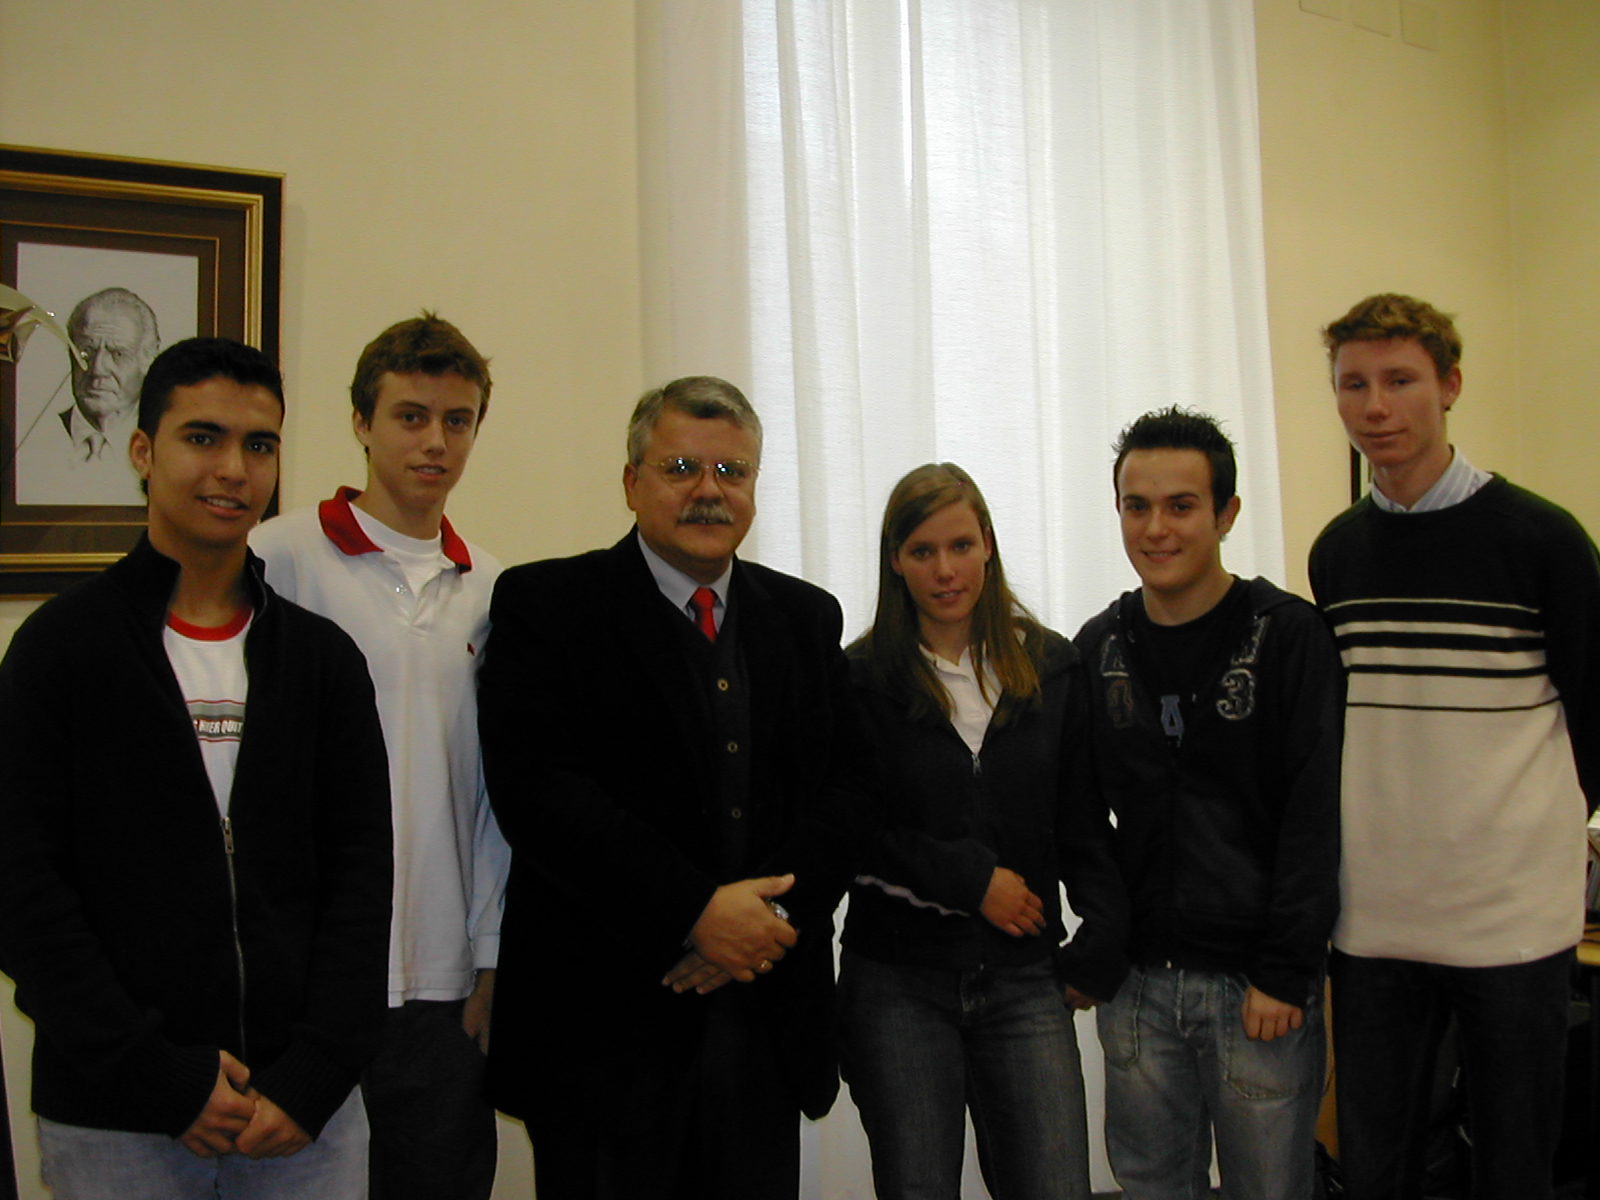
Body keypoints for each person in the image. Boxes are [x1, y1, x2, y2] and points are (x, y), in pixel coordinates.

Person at [0, 337, 393, 1199]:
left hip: (303, 1117)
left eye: (260, 445)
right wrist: (157, 1075)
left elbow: (361, 879)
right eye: (203, 437)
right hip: (118, 1113)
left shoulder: (322, 660)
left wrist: (315, 1072)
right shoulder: (61, 650)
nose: (233, 469)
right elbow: (24, 888)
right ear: (144, 452)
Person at [477, 375, 873, 1200]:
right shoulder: (546, 606)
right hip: (603, 1034)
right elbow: (540, 795)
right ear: (632, 481)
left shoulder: (805, 618)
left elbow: (846, 795)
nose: (708, 491)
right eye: (681, 467)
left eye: (732, 473)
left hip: (762, 1024)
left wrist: (763, 925)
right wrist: (696, 911)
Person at [1309, 293, 1600, 1200]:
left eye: (1400, 380)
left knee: (1514, 1165)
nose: (1376, 406)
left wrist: (1529, 839)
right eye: (1354, 384)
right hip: (1376, 918)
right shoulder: (1338, 555)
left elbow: (1594, 717)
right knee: (1378, 1165)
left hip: (1512, 921)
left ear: (1450, 386)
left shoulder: (1543, 541)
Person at [250, 313, 509, 1200]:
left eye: (458, 419)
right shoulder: (276, 558)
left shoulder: (496, 592)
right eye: (409, 416)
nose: (435, 442)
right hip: (308, 976)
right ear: (361, 423)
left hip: (442, 986)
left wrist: (490, 958)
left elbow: (496, 800)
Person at [838, 462, 1126, 1200]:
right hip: (897, 984)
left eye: (961, 545)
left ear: (989, 545)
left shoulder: (1052, 666)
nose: (945, 570)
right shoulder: (859, 678)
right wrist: (971, 882)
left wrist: (1099, 945)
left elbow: (1083, 821)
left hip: (1026, 981)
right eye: (923, 551)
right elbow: (848, 829)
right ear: (895, 561)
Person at [1076, 407, 1342, 1200]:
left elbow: (1315, 814)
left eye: (1181, 505)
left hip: (1257, 990)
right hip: (1136, 991)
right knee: (1152, 1185)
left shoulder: (1288, 636)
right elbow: (1080, 818)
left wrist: (1286, 971)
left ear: (1226, 513)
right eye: (1136, 505)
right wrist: (1097, 950)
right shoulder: (1100, 646)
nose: (1156, 528)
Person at [17, 286, 160, 506]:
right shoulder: (29, 440)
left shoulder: (165, 446)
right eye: (86, 352)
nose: (98, 369)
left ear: (148, 359)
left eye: (118, 354)